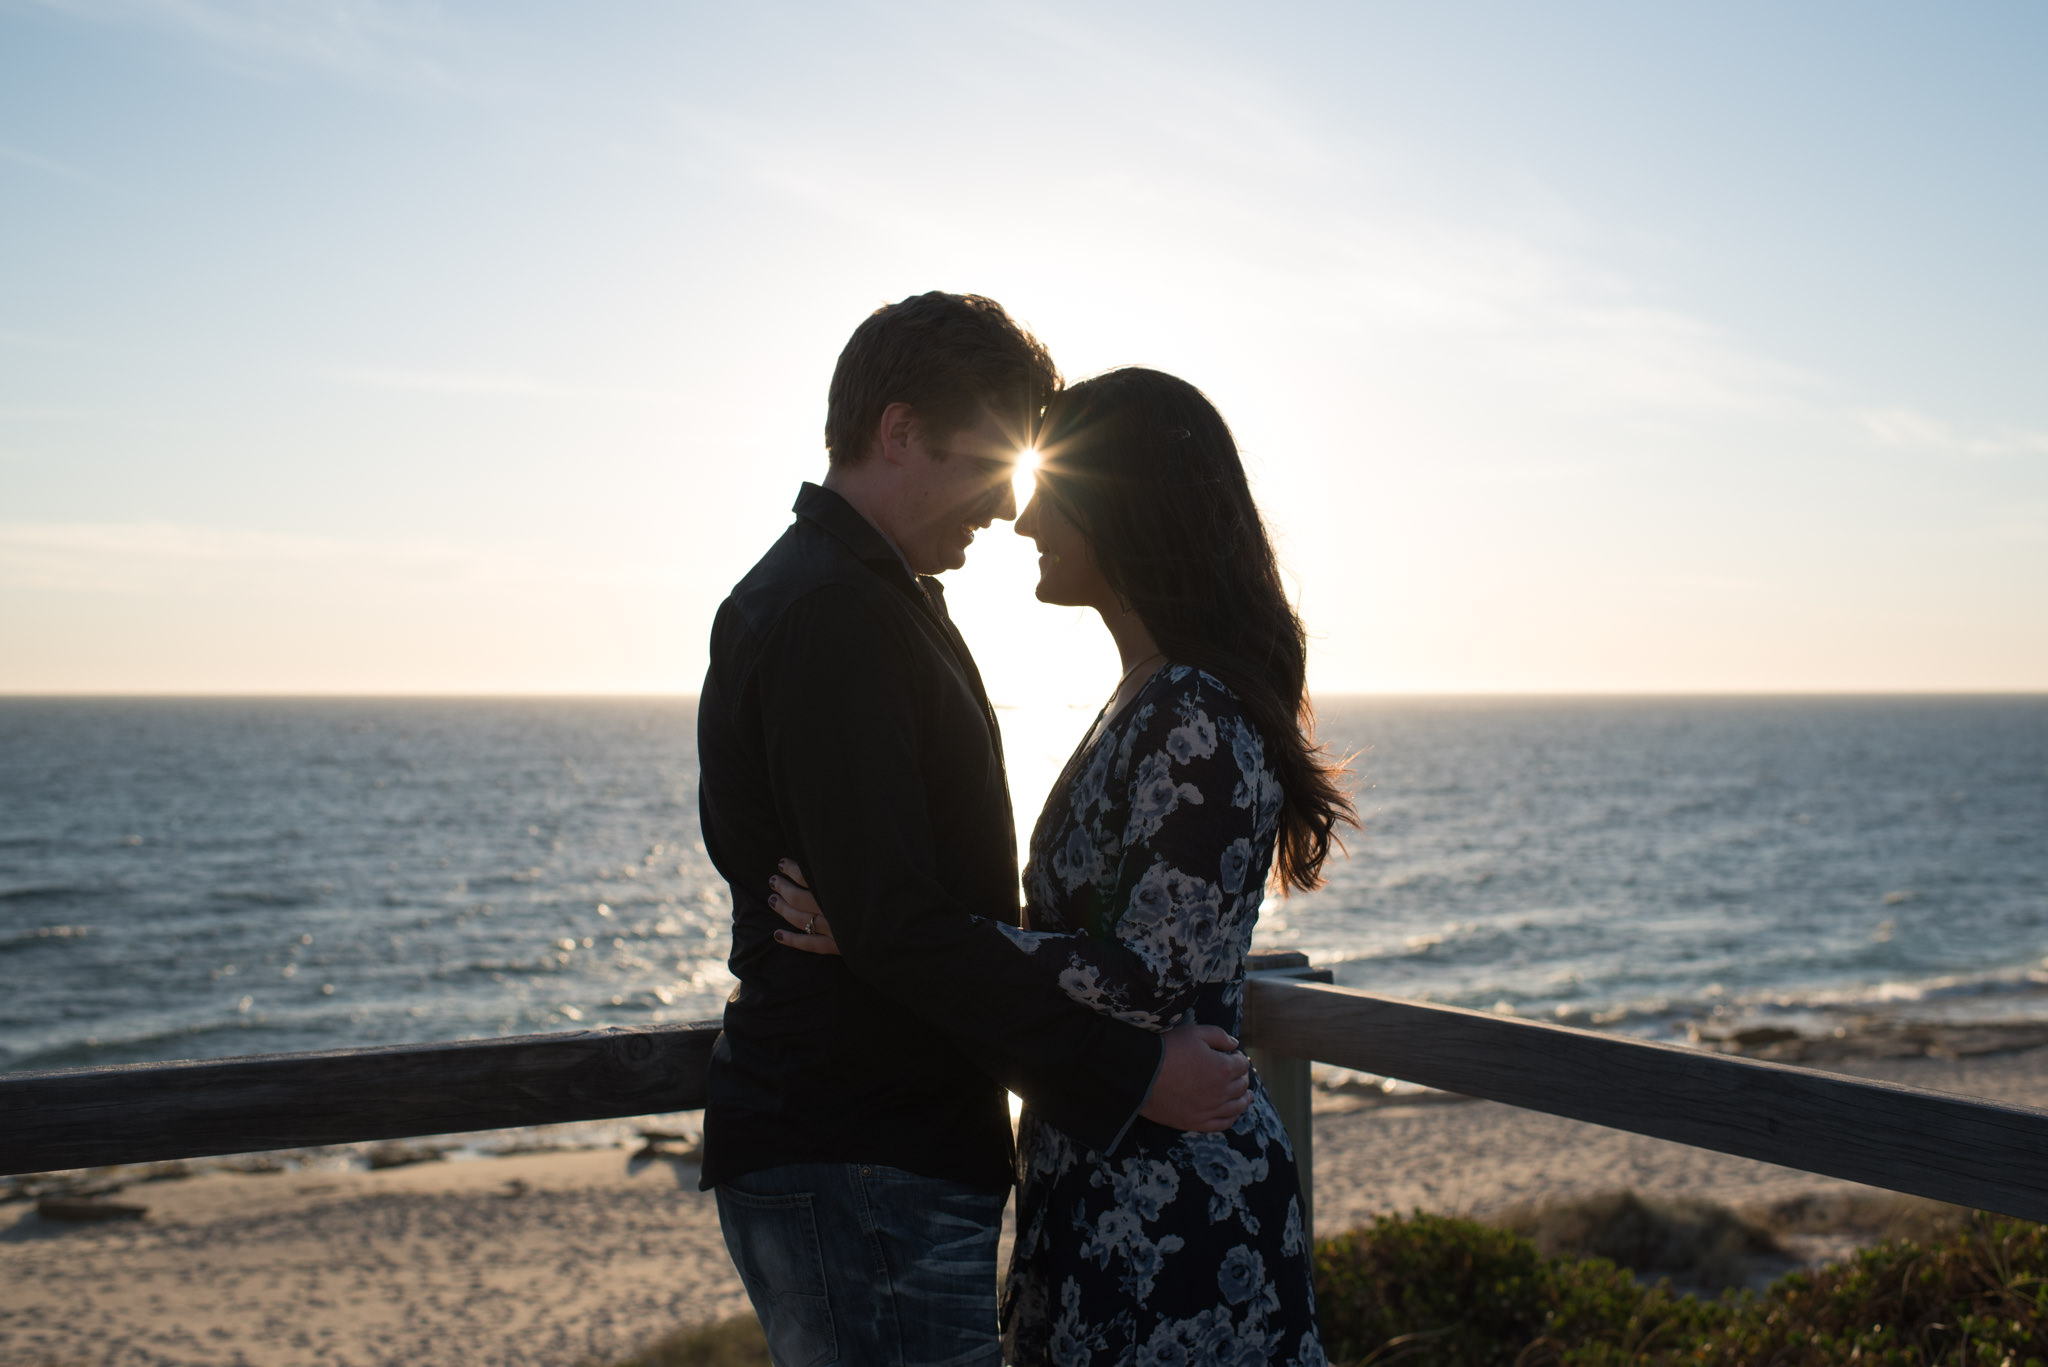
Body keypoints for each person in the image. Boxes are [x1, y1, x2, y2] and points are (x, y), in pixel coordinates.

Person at [694, 295, 1254, 1367]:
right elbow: (895, 920)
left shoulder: (871, 595)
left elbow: (887, 914)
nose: (1007, 505)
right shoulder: (831, 611)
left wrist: (879, 923)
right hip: (860, 1147)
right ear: (897, 431)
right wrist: (1129, 1073)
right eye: (991, 464)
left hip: (875, 1149)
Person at [766, 366, 1357, 1367]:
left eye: (1050, 484)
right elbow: (1087, 952)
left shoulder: (1191, 715)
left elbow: (1142, 978)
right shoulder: (1147, 697)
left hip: (1178, 1199)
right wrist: (905, 926)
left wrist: (891, 931)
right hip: (1108, 1164)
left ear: (1118, 506)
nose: (1022, 513)